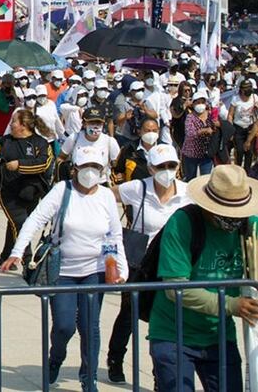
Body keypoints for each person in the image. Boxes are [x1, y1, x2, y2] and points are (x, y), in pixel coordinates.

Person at [1, 146, 127, 391]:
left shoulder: (105, 196)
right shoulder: (62, 190)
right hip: (63, 272)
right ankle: (55, 358)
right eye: (85, 166)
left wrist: (120, 268)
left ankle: (88, 378)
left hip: (94, 271)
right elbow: (35, 219)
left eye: (95, 167)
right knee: (64, 325)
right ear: (74, 168)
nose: (90, 172)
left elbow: (114, 234)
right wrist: (17, 251)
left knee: (90, 326)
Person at [147, 162, 258, 391]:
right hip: (173, 334)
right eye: (226, 213)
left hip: (219, 335)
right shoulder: (182, 223)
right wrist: (232, 304)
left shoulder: (250, 225)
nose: (233, 220)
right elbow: (176, 289)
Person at [104, 144, 190, 385]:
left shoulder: (187, 192)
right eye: (161, 166)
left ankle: (159, 373)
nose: (166, 170)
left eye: (171, 165)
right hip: (141, 262)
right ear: (151, 168)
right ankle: (115, 358)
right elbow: (105, 196)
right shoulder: (138, 188)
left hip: (172, 263)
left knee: (163, 320)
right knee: (129, 313)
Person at [0, 109, 54, 266]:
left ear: (24, 125)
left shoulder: (41, 143)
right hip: (6, 190)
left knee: (15, 223)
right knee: (21, 224)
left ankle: (5, 256)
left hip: (31, 191)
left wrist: (19, 165)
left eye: (14, 121)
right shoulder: (4, 141)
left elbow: (43, 164)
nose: (11, 124)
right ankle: (27, 261)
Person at [182, 89, 218, 179]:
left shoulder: (210, 115)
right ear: (193, 104)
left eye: (202, 102)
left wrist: (216, 124)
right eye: (198, 102)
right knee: (190, 179)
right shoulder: (190, 117)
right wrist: (203, 130)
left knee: (205, 179)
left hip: (207, 153)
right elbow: (190, 133)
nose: (200, 104)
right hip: (191, 153)